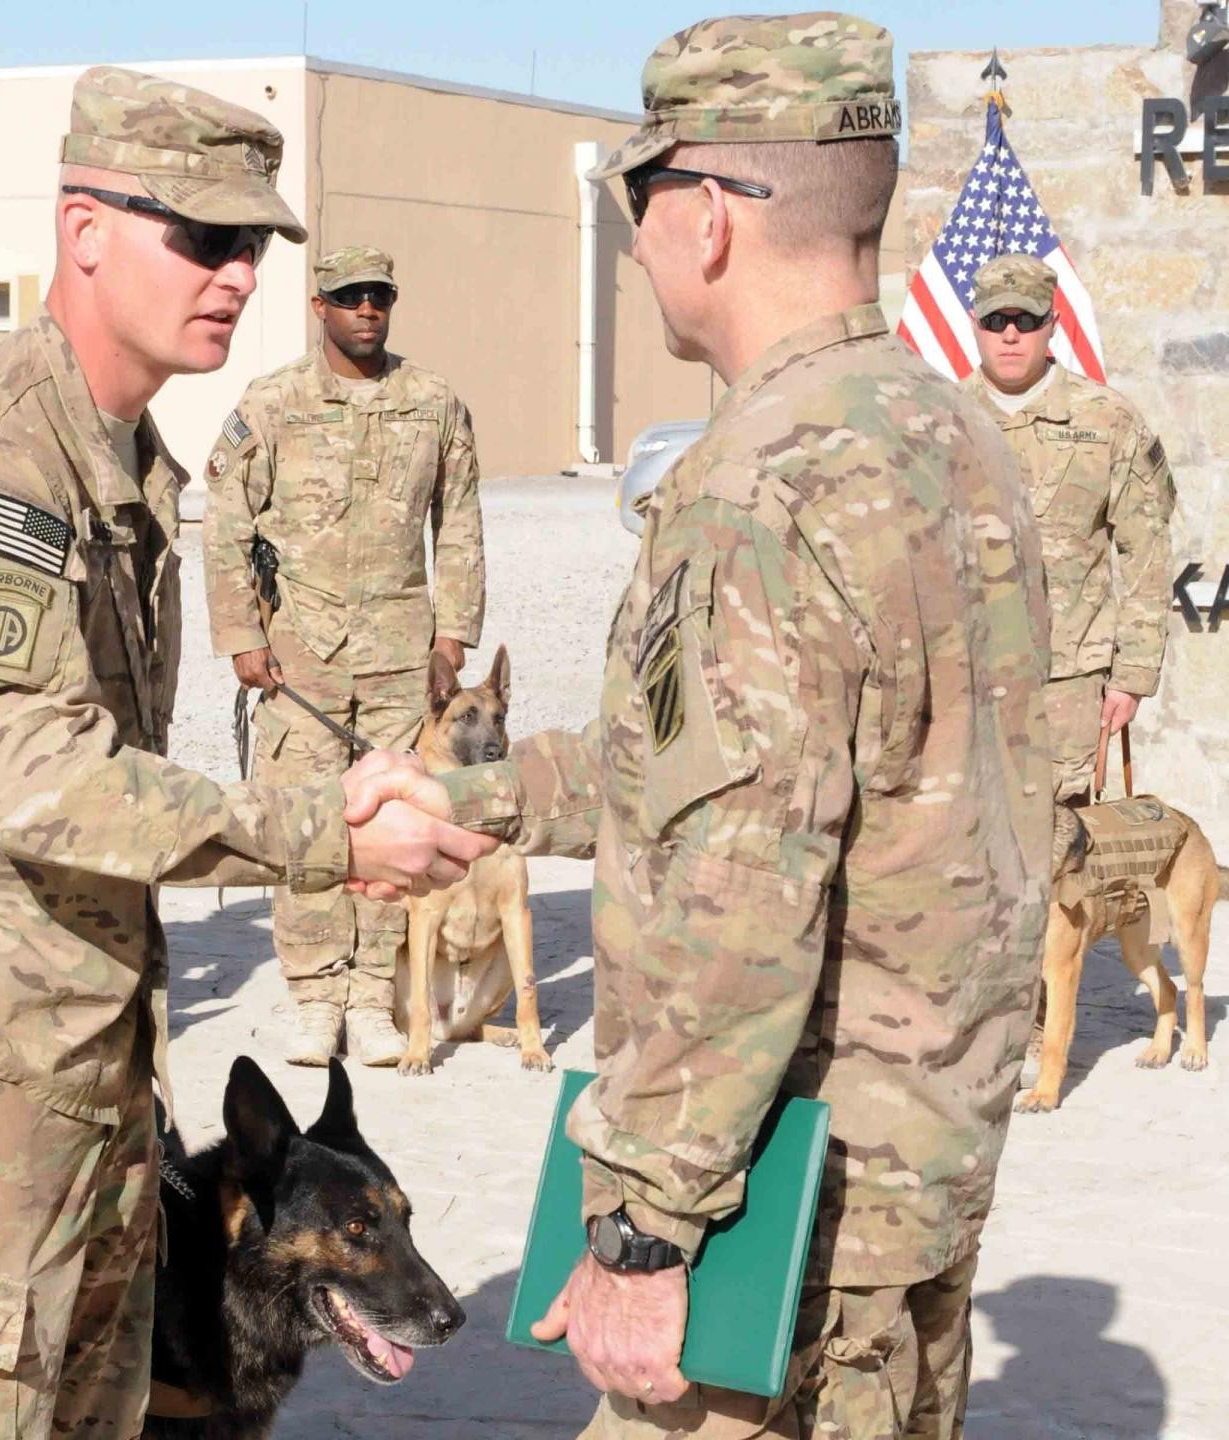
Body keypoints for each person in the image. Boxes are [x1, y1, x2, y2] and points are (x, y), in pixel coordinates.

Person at [0, 66, 494, 1437]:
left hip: (78, 1048)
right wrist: (325, 834)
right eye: (200, 237)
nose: (235, 274)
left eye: (251, 246)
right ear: (84, 228)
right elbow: (37, 774)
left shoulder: (121, 458)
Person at [386, 13, 1052, 1435]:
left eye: (640, 204)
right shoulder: (950, 437)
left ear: (704, 219)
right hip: (915, 1186)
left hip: (778, 1223)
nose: (633, 247)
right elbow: (780, 773)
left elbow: (737, 895)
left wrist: (640, 1233)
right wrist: (477, 802)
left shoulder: (755, 494)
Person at [201, 245, 485, 1067]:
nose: (368, 310)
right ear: (319, 306)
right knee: (307, 826)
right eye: (351, 297)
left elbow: (459, 519)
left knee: (396, 825)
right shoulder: (274, 403)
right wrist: (243, 638)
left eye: (380, 297)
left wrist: (452, 634)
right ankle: (315, 998)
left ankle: (370, 998)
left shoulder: (432, 403)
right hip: (300, 662)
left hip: (403, 658)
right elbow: (226, 523)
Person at [964, 252, 1174, 868]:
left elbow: (1146, 549)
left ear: (1051, 324)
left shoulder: (1107, 421)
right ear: (974, 325)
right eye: (996, 319)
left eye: (1025, 320)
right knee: (965, 841)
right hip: (962, 676)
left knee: (1059, 845)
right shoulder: (936, 417)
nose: (1009, 334)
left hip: (1068, 681)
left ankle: (1055, 968)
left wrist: (1133, 674)